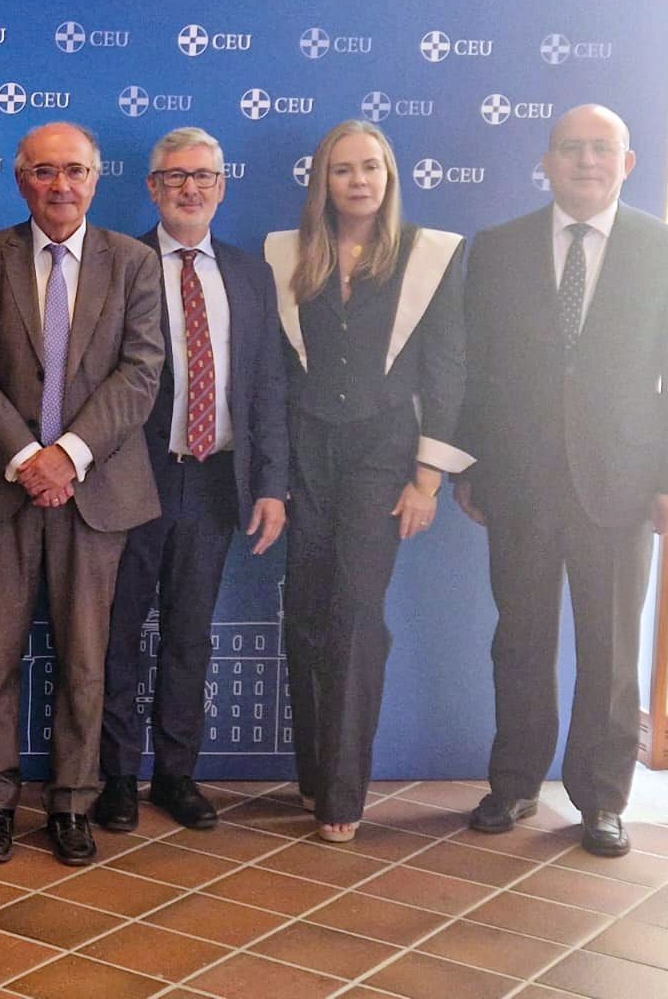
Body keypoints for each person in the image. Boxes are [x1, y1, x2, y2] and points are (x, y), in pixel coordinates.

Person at [456, 104, 668, 857]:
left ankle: (600, 799)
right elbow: (478, 369)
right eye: (571, 149)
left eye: (601, 150)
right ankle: (516, 781)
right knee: (520, 642)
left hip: (623, 487)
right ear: (547, 161)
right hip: (521, 483)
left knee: (611, 650)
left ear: (627, 163)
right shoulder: (498, 249)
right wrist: (471, 465)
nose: (586, 161)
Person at [0, 122, 165, 866]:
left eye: (74, 171)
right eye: (43, 171)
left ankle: (72, 801)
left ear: (97, 179)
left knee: (86, 661)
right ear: (20, 180)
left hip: (96, 492)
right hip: (0, 488)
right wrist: (24, 457)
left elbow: (140, 374)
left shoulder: (134, 263)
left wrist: (66, 457)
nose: (59, 185)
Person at [263, 120, 468, 844]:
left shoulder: (431, 256)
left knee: (355, 615)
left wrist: (428, 480)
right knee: (307, 616)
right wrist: (275, 473)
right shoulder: (288, 254)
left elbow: (448, 371)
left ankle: (343, 794)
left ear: (390, 176)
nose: (358, 181)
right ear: (323, 180)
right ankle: (316, 772)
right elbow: (280, 376)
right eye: (343, 169)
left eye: (371, 168)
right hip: (309, 451)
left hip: (385, 457)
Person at [94, 127, 288, 835]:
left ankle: (176, 773)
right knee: (119, 634)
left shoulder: (248, 272)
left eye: (204, 176)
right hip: (131, 479)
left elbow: (267, 385)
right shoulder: (118, 262)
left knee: (189, 636)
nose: (190, 188)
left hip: (214, 484)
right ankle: (115, 776)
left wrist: (271, 484)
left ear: (222, 186)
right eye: (175, 177)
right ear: (152, 188)